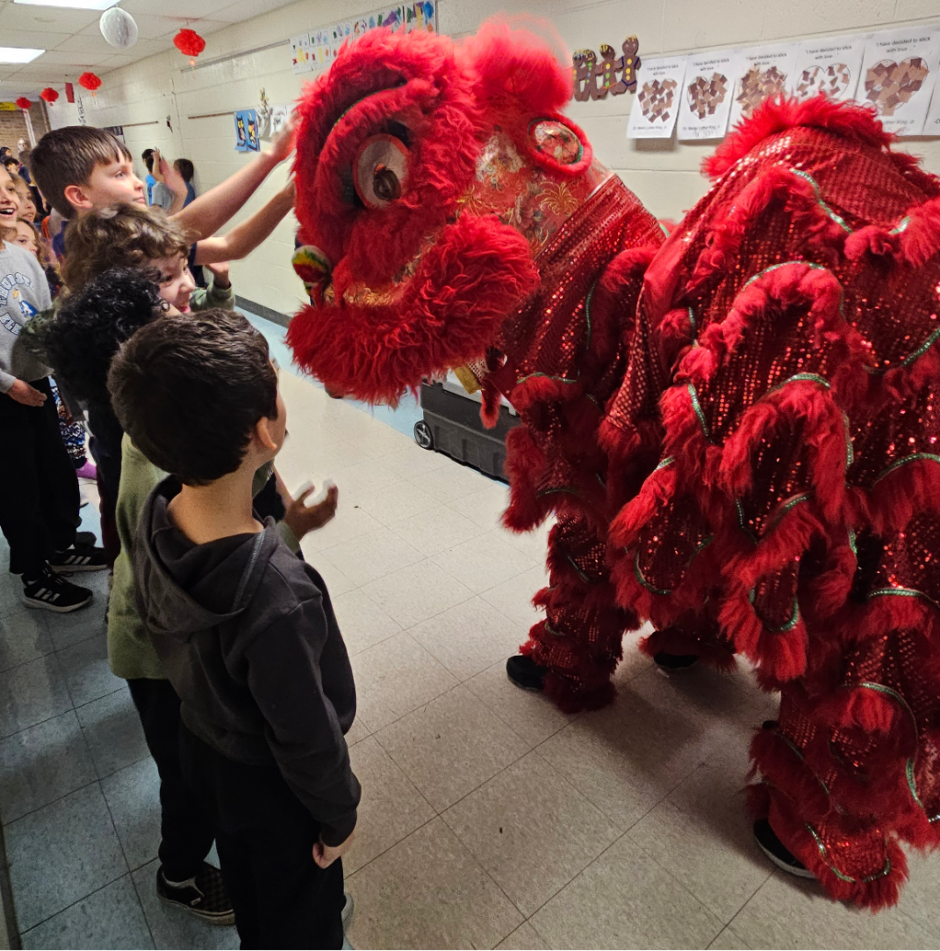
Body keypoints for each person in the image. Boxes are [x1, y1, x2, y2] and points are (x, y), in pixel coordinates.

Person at [109, 309, 358, 950]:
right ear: (262, 432)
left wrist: (287, 525)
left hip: (207, 750)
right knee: (300, 921)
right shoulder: (279, 596)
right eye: (276, 382)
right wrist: (339, 815)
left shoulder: (158, 512)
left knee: (250, 890)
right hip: (276, 788)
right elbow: (305, 734)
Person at [0, 164, 106, 611]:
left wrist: (63, 384)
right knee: (17, 487)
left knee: (55, 471)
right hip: (6, 395)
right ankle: (33, 574)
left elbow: (46, 325)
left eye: (9, 187)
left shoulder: (20, 256)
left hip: (38, 384)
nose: (7, 198)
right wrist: (8, 384)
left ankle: (60, 546)